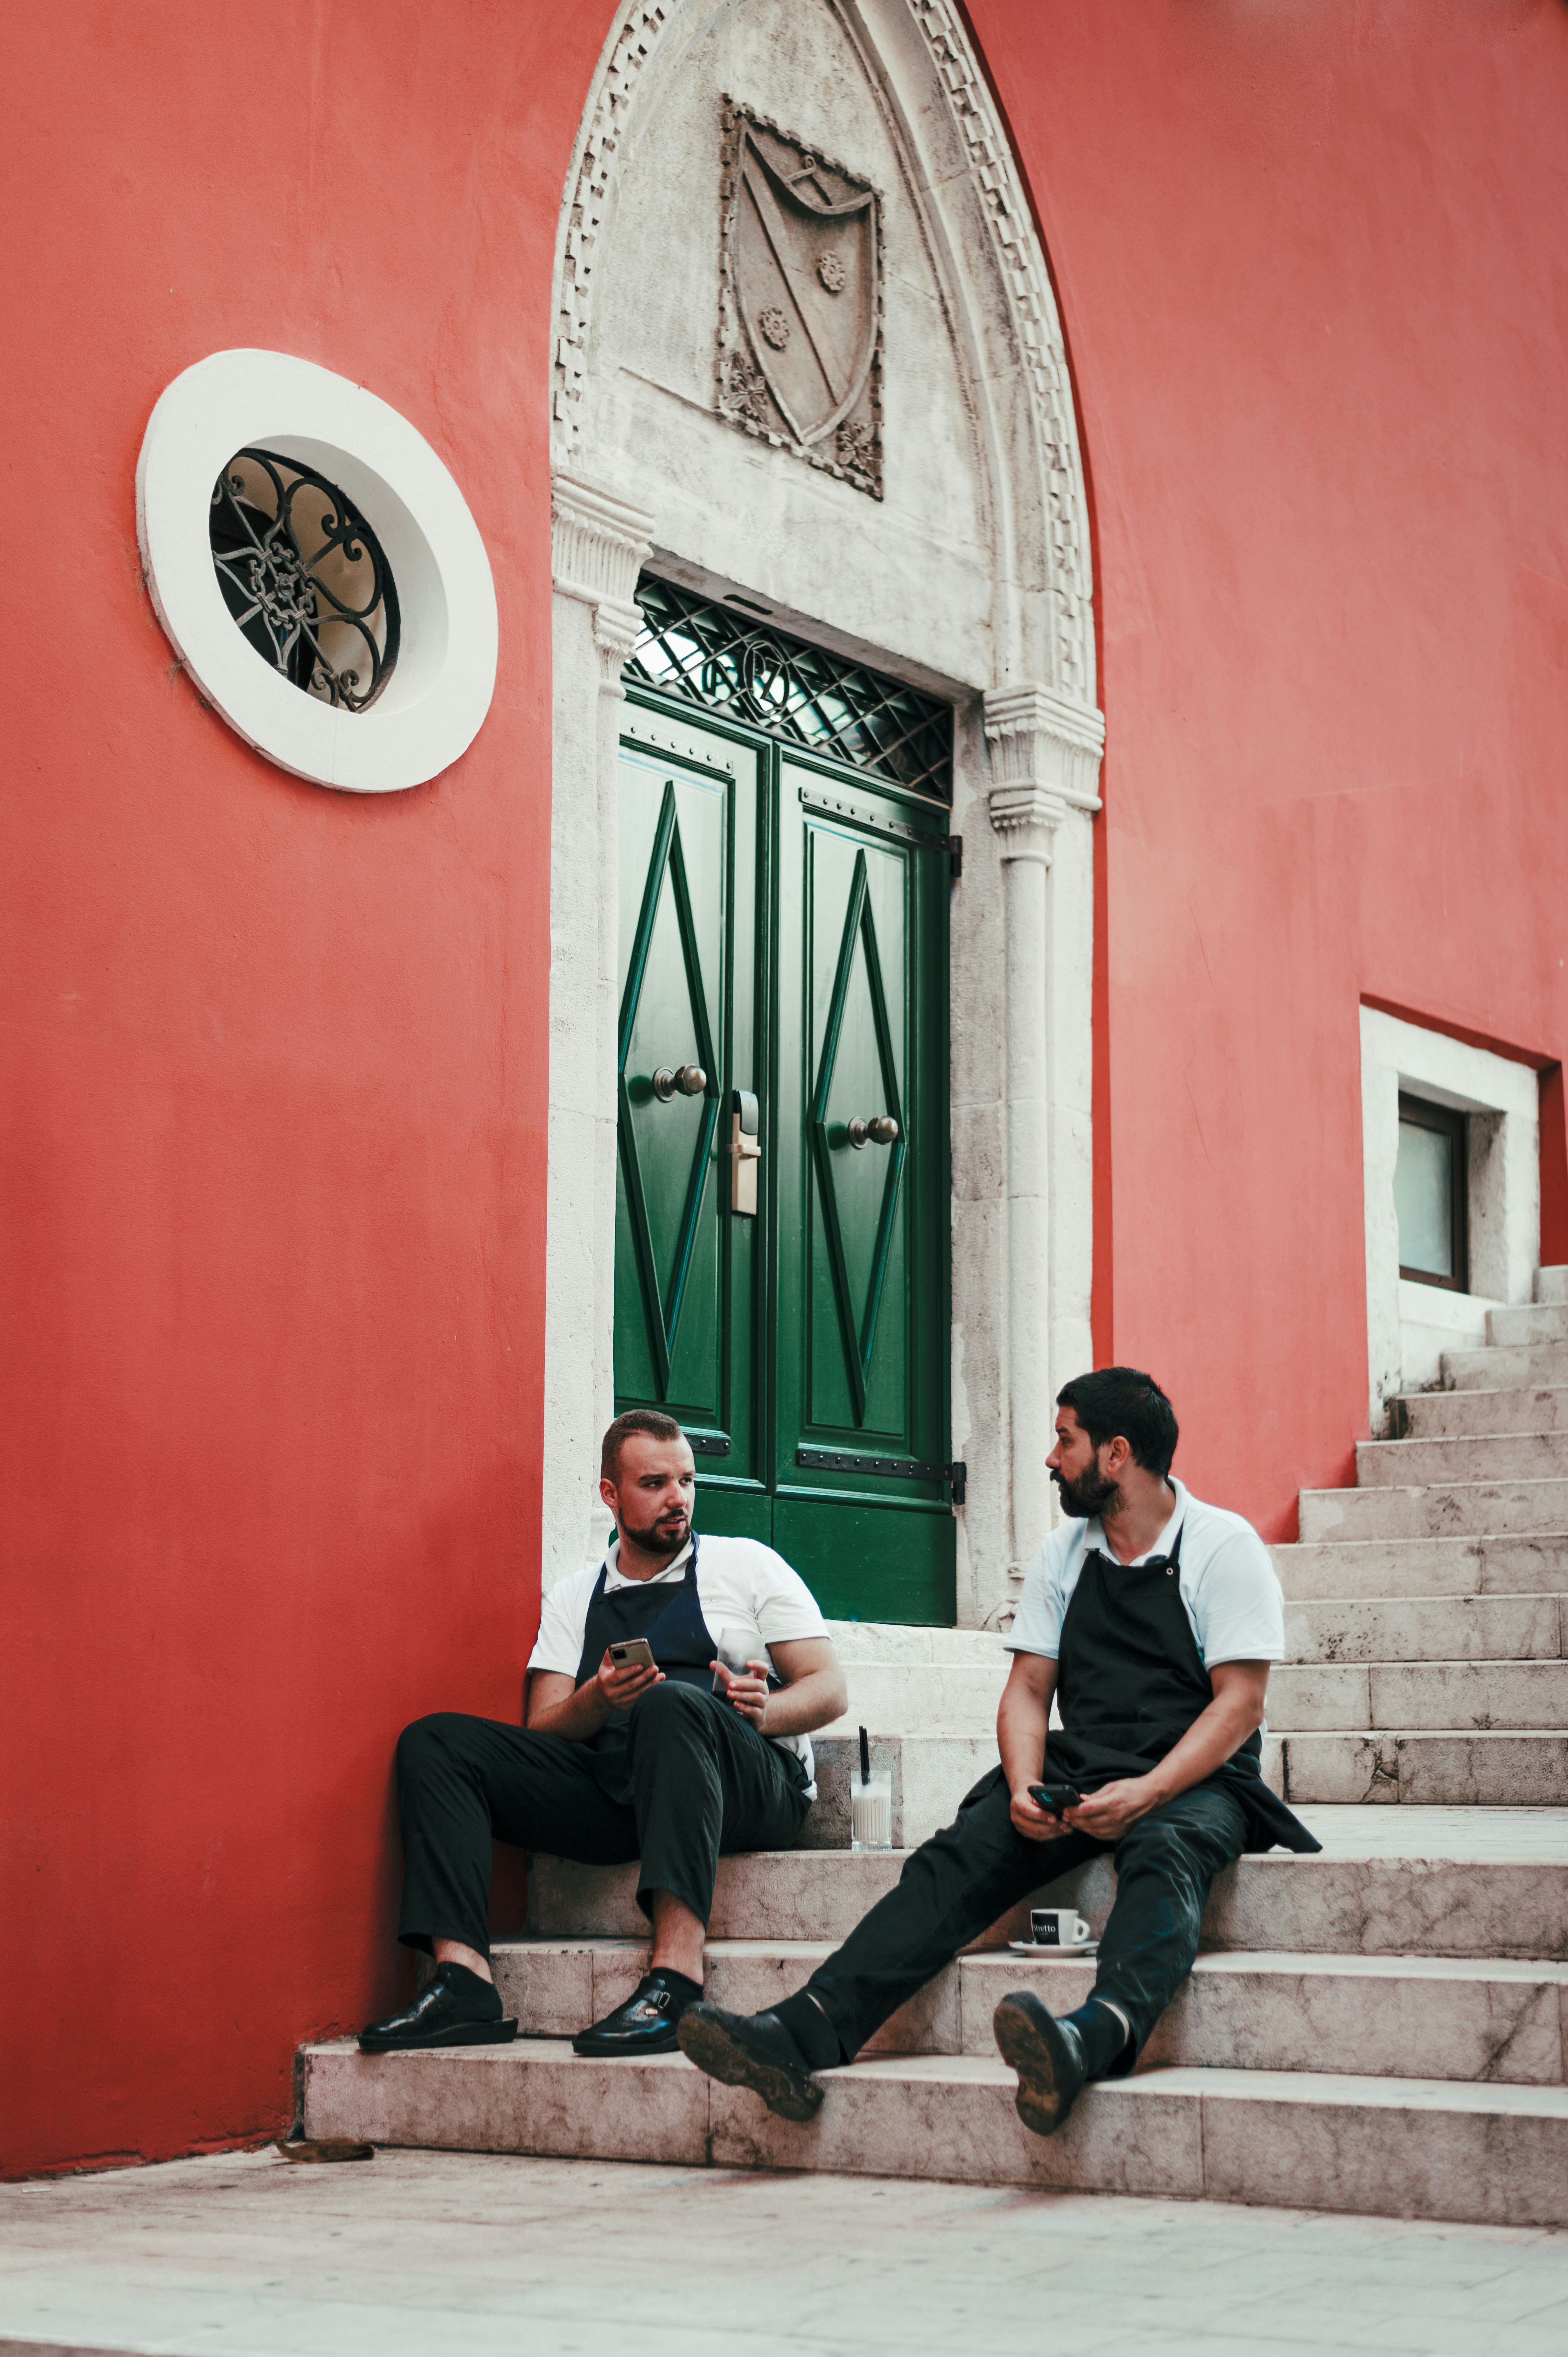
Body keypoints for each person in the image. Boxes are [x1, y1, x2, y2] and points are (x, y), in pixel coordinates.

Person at [678, 1367, 1320, 2133]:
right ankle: (802, 2030)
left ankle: (1090, 2038)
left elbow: (1241, 1702)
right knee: (958, 1854)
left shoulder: (1223, 1546)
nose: (1051, 1457)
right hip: (1079, 1760)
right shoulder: (1063, 1553)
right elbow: (1026, 1690)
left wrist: (1149, 1793)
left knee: (1165, 1852)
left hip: (1198, 1774)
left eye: (1065, 1438)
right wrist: (1022, 1785)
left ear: (1117, 1454)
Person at [358, 1409, 847, 2058]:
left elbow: (829, 1688)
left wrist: (764, 1712)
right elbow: (545, 1724)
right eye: (655, 1484)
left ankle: (676, 1977)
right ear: (610, 1495)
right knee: (437, 1742)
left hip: (749, 1787)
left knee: (672, 1704)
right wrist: (597, 1697)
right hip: (625, 1792)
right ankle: (463, 1982)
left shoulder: (746, 1566)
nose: (679, 1499)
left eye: (688, 1480)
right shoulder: (575, 1594)